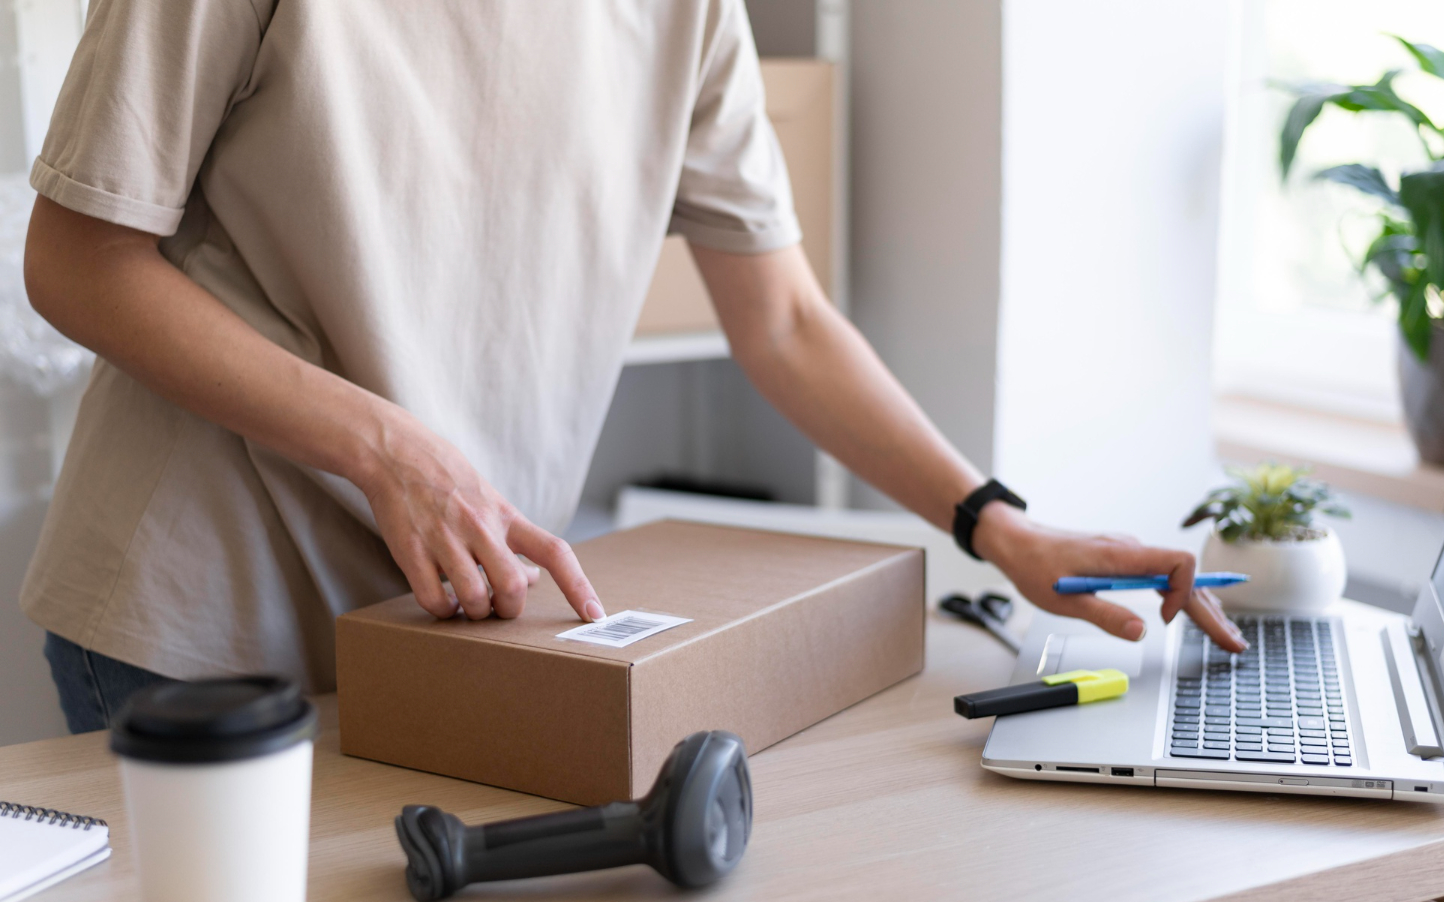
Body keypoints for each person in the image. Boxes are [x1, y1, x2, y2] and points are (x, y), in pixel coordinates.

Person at [22, 0, 1244, 735]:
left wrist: (994, 522)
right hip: (196, 608)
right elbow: (76, 260)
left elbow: (783, 320)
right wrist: (383, 443)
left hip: (451, 629)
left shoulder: (685, 15)